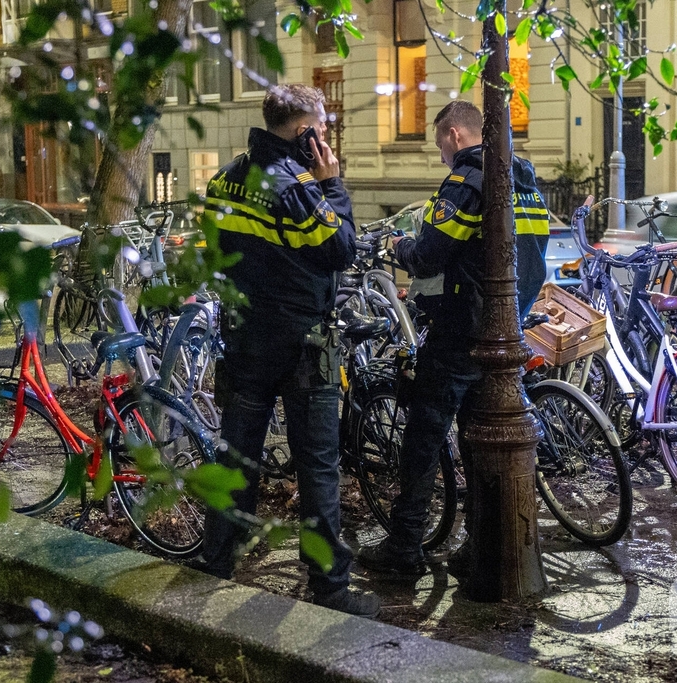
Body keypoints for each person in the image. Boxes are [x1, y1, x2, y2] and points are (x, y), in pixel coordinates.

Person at [199, 84, 381, 618]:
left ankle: (217, 562)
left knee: (235, 458)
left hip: (244, 340)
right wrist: (334, 185)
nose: (325, 139)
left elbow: (217, 251)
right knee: (317, 467)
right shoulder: (298, 186)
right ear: (305, 132)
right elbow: (340, 249)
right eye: (321, 130)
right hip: (302, 343)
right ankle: (330, 589)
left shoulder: (225, 178)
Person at [356, 100, 550, 578]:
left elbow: (429, 255)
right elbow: (535, 257)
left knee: (423, 437)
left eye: (441, 144)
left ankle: (405, 548)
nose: (442, 154)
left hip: (463, 329)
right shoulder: (524, 183)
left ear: (456, 136)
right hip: (506, 333)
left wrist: (395, 245)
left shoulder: (468, 181)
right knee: (482, 438)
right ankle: (480, 543)